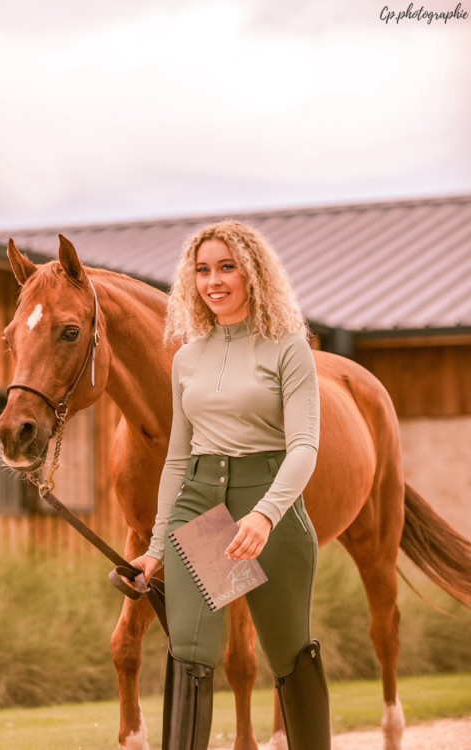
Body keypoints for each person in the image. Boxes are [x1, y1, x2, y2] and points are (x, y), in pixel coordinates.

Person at [130, 220, 331, 750]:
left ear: (253, 273)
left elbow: (304, 446)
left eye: (227, 267)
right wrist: (155, 549)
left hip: (268, 503)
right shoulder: (187, 358)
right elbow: (177, 459)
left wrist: (265, 515)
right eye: (202, 270)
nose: (213, 281)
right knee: (190, 651)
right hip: (200, 503)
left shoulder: (288, 347)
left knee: (289, 654)